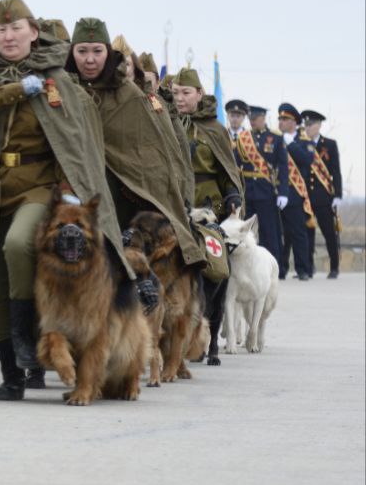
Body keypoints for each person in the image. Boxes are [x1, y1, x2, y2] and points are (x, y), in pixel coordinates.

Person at [0, 0, 127, 401]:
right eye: (1, 30)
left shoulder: (57, 80)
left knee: (19, 244)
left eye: (16, 29)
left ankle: (25, 336)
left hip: (38, 188)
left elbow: (72, 142)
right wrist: (14, 90)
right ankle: (11, 372)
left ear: (33, 33)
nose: (8, 36)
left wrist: (69, 186)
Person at [65, 18, 201, 259]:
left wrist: (180, 196)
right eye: (82, 51)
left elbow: (155, 152)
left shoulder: (131, 96)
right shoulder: (62, 88)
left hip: (123, 191)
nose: (89, 59)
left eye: (97, 51)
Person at [170, 67, 244, 364]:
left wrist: (233, 197)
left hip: (208, 210)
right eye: (175, 93)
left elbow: (228, 170)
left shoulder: (214, 129)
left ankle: (210, 336)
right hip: (177, 207)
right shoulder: (169, 123)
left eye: (186, 93)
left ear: (199, 94)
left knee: (215, 271)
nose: (180, 99)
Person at [233, 103, 288, 263]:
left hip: (266, 191)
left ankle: (274, 266)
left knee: (269, 232)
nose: (252, 122)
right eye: (250, 119)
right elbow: (236, 164)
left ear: (263, 118)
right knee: (247, 233)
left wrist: (283, 192)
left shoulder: (275, 137)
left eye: (255, 119)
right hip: (248, 191)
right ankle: (248, 265)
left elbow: (283, 167)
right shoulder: (243, 138)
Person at [300, 109, 341, 278]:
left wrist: (337, 195)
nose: (307, 128)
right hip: (306, 197)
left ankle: (334, 267)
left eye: (310, 125)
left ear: (318, 125)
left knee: (329, 233)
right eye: (306, 125)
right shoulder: (301, 143)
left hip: (324, 197)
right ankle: (309, 267)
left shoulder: (329, 144)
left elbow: (335, 171)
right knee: (307, 234)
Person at [276, 104, 315, 281]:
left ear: (294, 122)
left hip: (295, 193)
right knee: (279, 233)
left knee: (298, 233)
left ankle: (303, 269)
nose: (281, 122)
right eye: (280, 119)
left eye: (285, 119)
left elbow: (307, 161)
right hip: (276, 192)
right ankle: (280, 269)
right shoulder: (274, 139)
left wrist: (290, 143)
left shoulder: (304, 141)